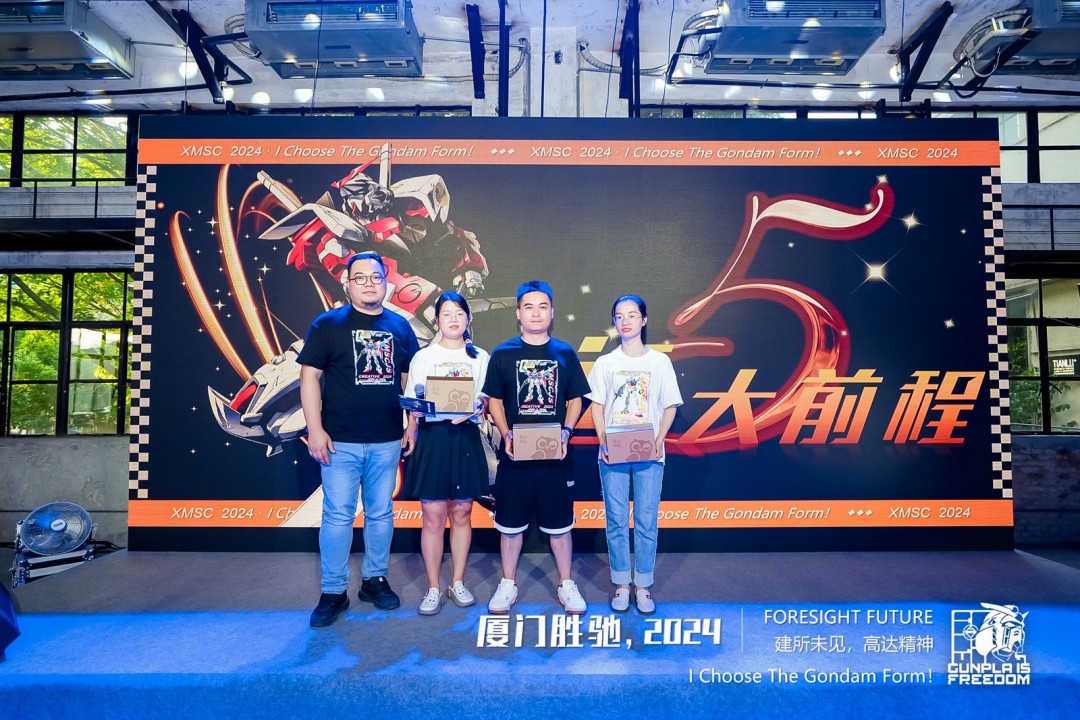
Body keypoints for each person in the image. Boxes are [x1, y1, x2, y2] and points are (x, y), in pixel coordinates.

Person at [298, 250, 421, 628]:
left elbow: (409, 381)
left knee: (381, 513)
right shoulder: (327, 324)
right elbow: (309, 377)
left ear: (386, 282)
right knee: (337, 516)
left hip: (387, 439)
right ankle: (333, 591)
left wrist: (412, 425)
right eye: (361, 278)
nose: (369, 284)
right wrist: (314, 429)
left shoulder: (401, 327)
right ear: (347, 283)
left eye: (376, 277)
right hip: (339, 441)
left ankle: (374, 580)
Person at [482, 281, 591, 615]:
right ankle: (508, 583)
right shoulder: (503, 354)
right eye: (528, 307)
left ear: (552, 312)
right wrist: (505, 433)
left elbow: (576, 399)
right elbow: (494, 400)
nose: (536, 313)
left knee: (560, 527)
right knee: (510, 526)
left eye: (542, 306)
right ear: (518, 313)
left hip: (555, 457)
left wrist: (566, 432)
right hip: (515, 457)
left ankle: (566, 583)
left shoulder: (564, 353)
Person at [587, 294, 682, 614]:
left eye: (631, 315)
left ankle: (643, 585)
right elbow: (597, 406)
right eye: (619, 316)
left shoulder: (659, 362)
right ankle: (621, 584)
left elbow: (670, 405)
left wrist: (659, 440)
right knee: (616, 520)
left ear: (643, 320)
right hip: (613, 452)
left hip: (649, 453)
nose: (625, 321)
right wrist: (603, 440)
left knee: (645, 520)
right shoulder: (606, 363)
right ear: (614, 322)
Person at [402, 291, 491, 615]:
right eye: (447, 314)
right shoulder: (424, 357)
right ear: (437, 319)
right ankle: (433, 587)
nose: (453, 319)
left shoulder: (480, 357)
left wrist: (480, 404)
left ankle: (457, 582)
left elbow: (487, 398)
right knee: (433, 516)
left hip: (466, 438)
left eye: (459, 313)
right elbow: (412, 401)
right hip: (434, 438)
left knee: (463, 512)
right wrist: (413, 422)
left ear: (468, 318)